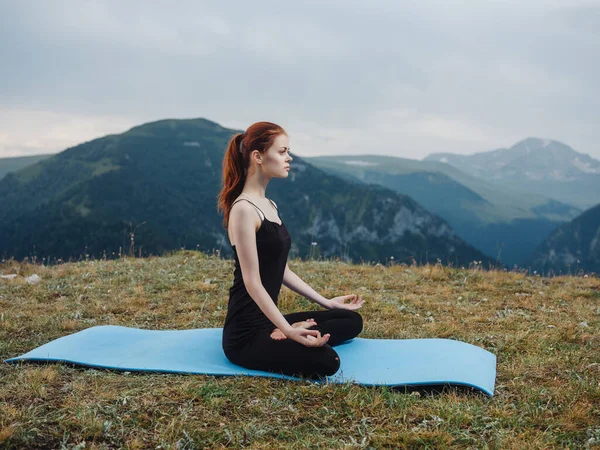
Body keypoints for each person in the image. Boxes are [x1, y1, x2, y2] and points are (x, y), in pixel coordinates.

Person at [216, 121, 365, 379]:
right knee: (329, 361)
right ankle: (281, 334)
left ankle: (282, 332)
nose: (289, 158)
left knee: (350, 321)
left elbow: (280, 270)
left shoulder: (269, 204)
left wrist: (326, 301)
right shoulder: (243, 209)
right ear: (258, 157)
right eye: (282, 151)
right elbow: (252, 283)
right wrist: (289, 329)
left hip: (269, 319)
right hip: (246, 334)